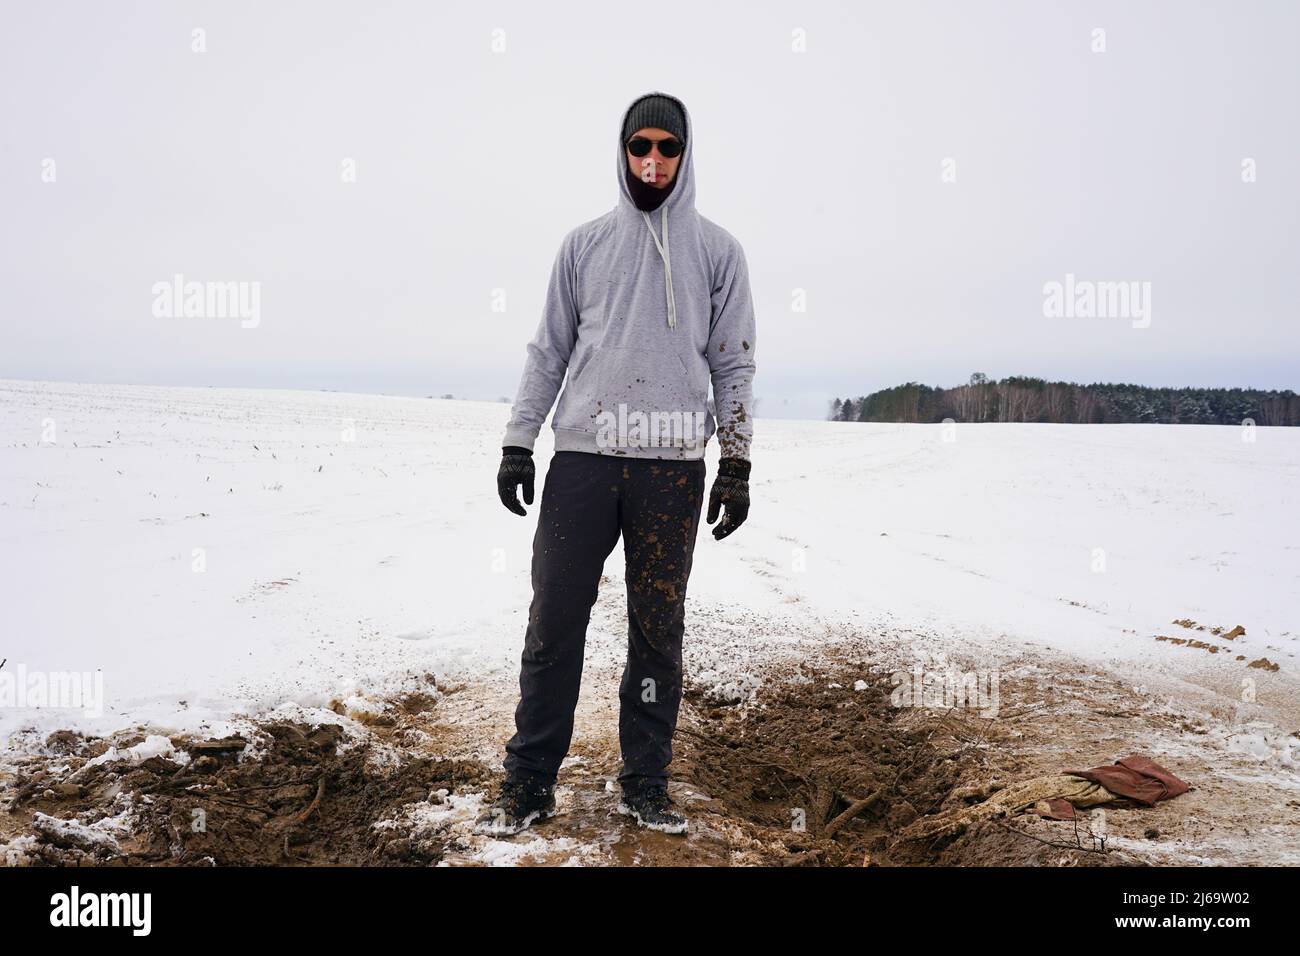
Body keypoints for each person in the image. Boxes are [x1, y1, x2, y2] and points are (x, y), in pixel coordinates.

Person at [477, 91, 757, 837]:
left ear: (686, 153)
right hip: (583, 463)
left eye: (668, 148)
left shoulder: (719, 253)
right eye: (641, 147)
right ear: (624, 151)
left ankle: (645, 782)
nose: (654, 162)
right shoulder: (583, 246)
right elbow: (549, 352)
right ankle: (529, 782)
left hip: (670, 470)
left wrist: (736, 460)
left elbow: (733, 364)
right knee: (554, 623)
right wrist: (517, 440)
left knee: (657, 629)